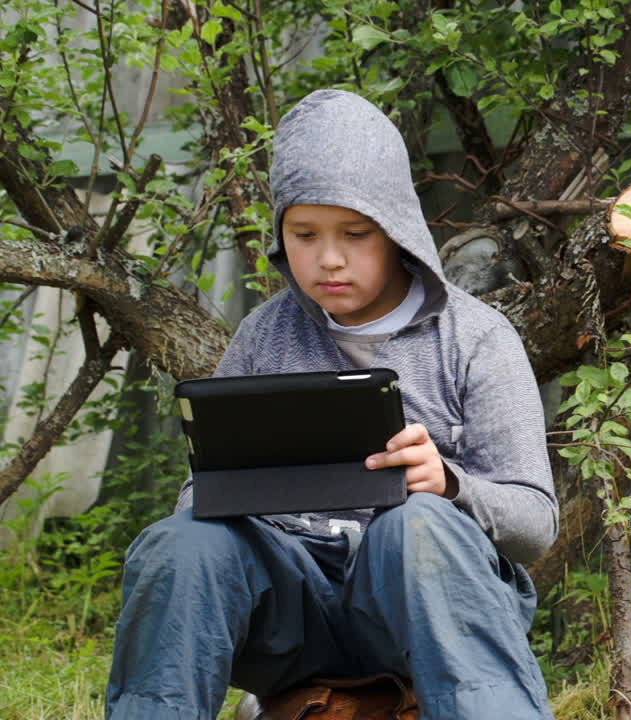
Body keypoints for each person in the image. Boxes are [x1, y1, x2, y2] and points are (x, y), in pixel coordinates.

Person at [105, 89, 558, 720]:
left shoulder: (476, 338)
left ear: (397, 229)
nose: (329, 259)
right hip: (291, 617)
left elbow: (535, 525)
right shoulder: (264, 336)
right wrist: (230, 491)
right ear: (280, 234)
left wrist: (451, 486)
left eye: (355, 233)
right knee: (179, 544)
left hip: (425, 612)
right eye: (304, 234)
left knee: (416, 524)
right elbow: (196, 500)